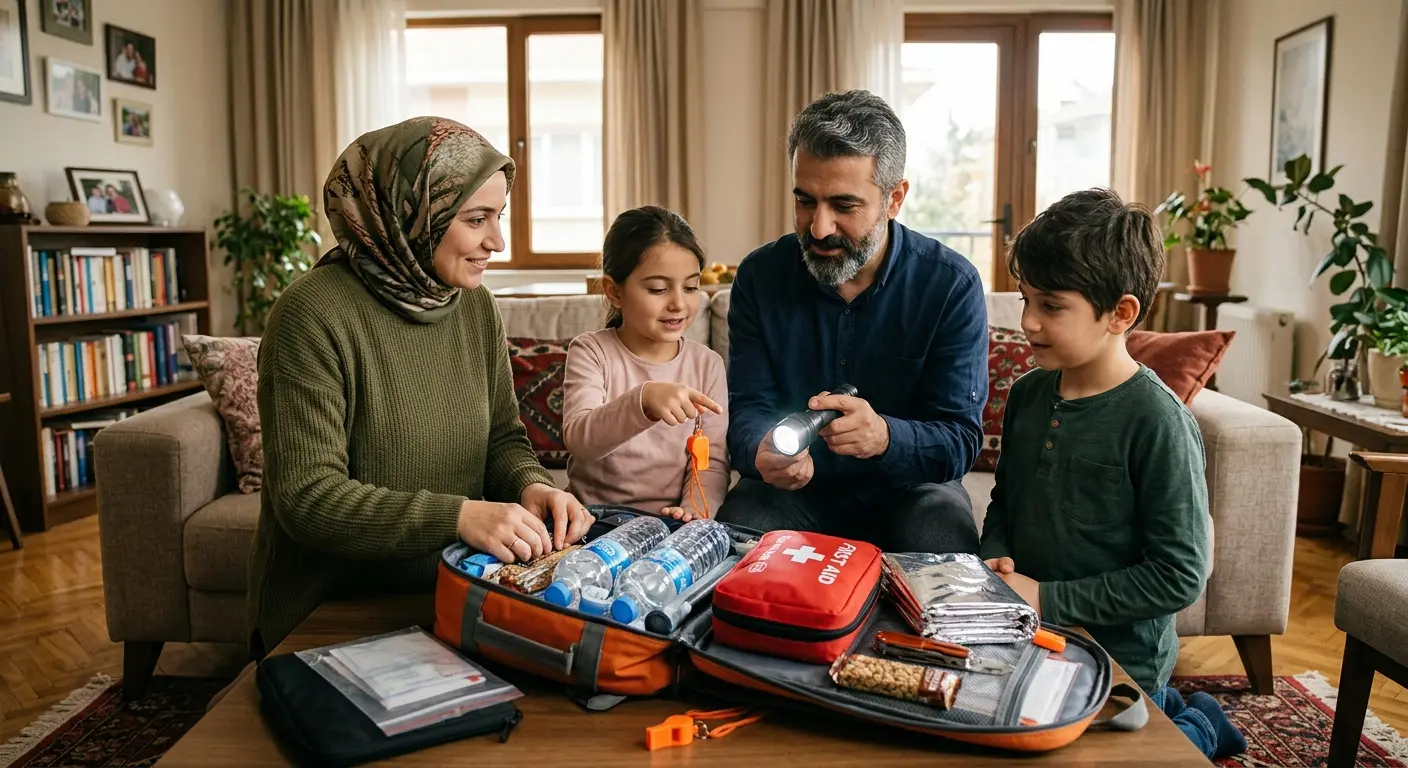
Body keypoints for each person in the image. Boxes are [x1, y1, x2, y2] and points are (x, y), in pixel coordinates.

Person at [248, 116, 594, 659]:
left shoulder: (473, 304)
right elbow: (307, 498)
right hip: (333, 612)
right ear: (410, 213)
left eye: (498, 216)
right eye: (477, 219)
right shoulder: (310, 315)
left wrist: (531, 486)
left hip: (456, 594)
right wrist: (458, 516)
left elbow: (502, 439)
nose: (496, 242)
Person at [979, 188, 1246, 760]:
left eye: (1050, 306)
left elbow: (1180, 575)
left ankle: (1198, 725)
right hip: (1032, 632)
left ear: (1121, 313)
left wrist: (1047, 598)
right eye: (1025, 300)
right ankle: (1169, 710)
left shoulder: (1157, 421)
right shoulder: (1028, 394)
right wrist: (998, 554)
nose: (1027, 322)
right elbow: (1006, 499)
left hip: (1121, 652)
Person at [718, 89, 987, 554]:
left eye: (844, 206)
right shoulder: (760, 278)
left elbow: (960, 439)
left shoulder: (951, 285)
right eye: (805, 201)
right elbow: (746, 412)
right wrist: (761, 450)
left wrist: (886, 437)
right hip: (792, 494)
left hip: (911, 491)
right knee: (735, 535)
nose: (819, 228)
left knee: (941, 540)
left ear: (895, 198)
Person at [561, 206, 729, 521]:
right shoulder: (591, 351)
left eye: (691, 287)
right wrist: (643, 400)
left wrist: (694, 511)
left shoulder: (707, 365)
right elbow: (580, 441)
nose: (679, 303)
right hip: (593, 519)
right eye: (658, 289)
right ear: (614, 291)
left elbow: (711, 461)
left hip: (671, 521)